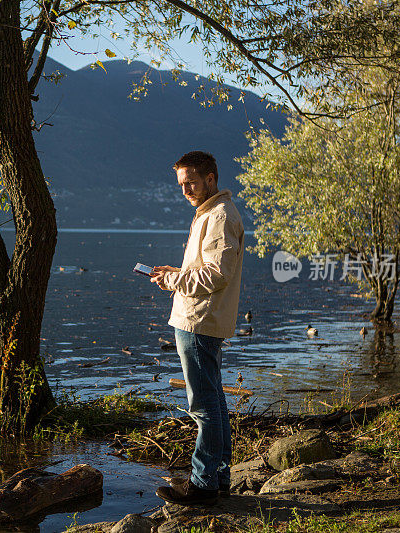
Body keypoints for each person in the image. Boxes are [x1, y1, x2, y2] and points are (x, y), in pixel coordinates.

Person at [150, 150, 244, 506]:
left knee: (204, 406)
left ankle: (203, 484)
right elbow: (205, 268)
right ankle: (219, 479)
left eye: (190, 181)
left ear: (211, 178)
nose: (185, 189)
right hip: (201, 318)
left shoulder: (219, 216)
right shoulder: (209, 214)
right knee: (215, 404)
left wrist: (175, 280)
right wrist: (175, 274)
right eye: (181, 183)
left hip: (199, 321)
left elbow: (218, 274)